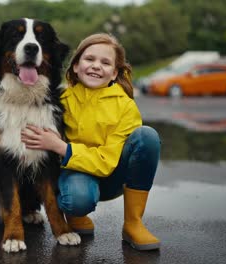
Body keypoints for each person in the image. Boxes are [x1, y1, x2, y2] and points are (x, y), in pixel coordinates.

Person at [21, 33, 161, 251]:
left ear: (114, 73)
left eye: (105, 63)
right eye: (89, 59)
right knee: (77, 198)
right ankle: (76, 215)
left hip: (112, 176)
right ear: (76, 65)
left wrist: (60, 146)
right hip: (76, 177)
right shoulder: (61, 101)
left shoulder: (125, 106)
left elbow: (106, 162)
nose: (96, 66)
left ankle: (133, 223)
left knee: (147, 136)